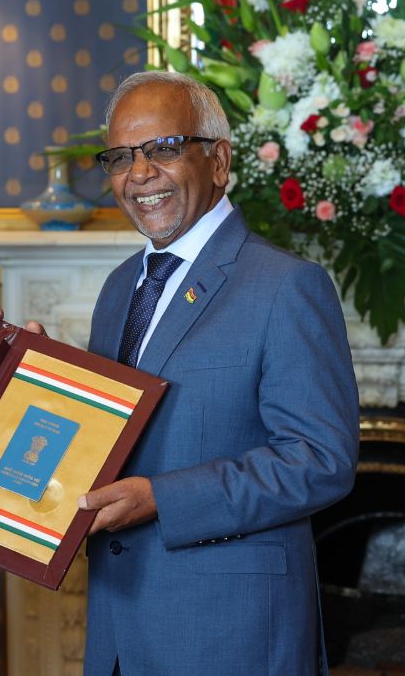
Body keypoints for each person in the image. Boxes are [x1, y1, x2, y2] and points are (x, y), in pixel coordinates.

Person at [75, 71, 361, 674]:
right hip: (120, 627)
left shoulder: (286, 286)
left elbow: (319, 460)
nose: (140, 173)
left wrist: (163, 499)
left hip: (232, 633)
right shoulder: (118, 287)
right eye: (121, 157)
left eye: (163, 148)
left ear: (219, 161)